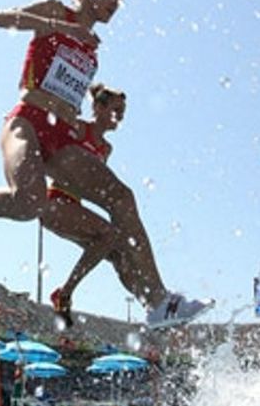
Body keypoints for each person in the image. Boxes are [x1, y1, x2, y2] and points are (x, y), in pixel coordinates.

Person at [0, 0, 212, 328]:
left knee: (122, 199)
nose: (116, 4)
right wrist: (60, 27)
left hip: (62, 137)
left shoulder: (93, 50)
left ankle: (159, 302)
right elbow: (1, 18)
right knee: (28, 203)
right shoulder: (56, 10)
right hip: (27, 120)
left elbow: (69, 92)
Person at [44, 84, 169, 329]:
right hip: (55, 202)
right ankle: (65, 292)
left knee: (119, 254)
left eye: (123, 112)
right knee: (111, 235)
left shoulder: (106, 148)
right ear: (98, 108)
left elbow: (96, 188)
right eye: (116, 110)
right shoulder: (79, 128)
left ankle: (151, 307)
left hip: (75, 205)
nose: (120, 117)